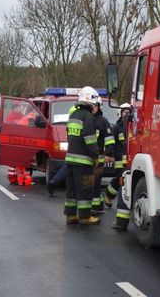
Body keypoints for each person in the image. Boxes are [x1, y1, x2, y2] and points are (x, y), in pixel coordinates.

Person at [63, 86, 100, 225]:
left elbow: (69, 136)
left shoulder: (73, 115)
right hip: (83, 161)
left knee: (71, 189)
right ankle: (85, 217)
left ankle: (71, 215)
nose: (96, 106)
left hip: (70, 158)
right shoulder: (88, 117)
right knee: (85, 188)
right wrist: (95, 156)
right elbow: (90, 139)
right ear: (91, 102)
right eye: (95, 103)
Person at [108, 103, 132, 230]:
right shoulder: (118, 128)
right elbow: (113, 142)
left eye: (128, 111)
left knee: (122, 185)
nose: (126, 113)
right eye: (124, 111)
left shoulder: (133, 125)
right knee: (121, 183)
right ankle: (109, 196)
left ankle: (109, 196)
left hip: (130, 161)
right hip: (121, 161)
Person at [47, 104, 78, 196]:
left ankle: (54, 181)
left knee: (68, 166)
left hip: (71, 142)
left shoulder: (73, 110)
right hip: (79, 145)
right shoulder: (82, 113)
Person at [91, 97, 115, 214]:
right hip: (87, 157)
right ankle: (97, 204)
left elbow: (109, 139)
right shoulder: (87, 119)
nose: (93, 108)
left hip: (99, 157)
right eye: (92, 106)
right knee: (89, 183)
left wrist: (108, 153)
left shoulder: (103, 121)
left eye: (95, 106)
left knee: (95, 182)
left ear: (99, 107)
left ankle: (96, 206)